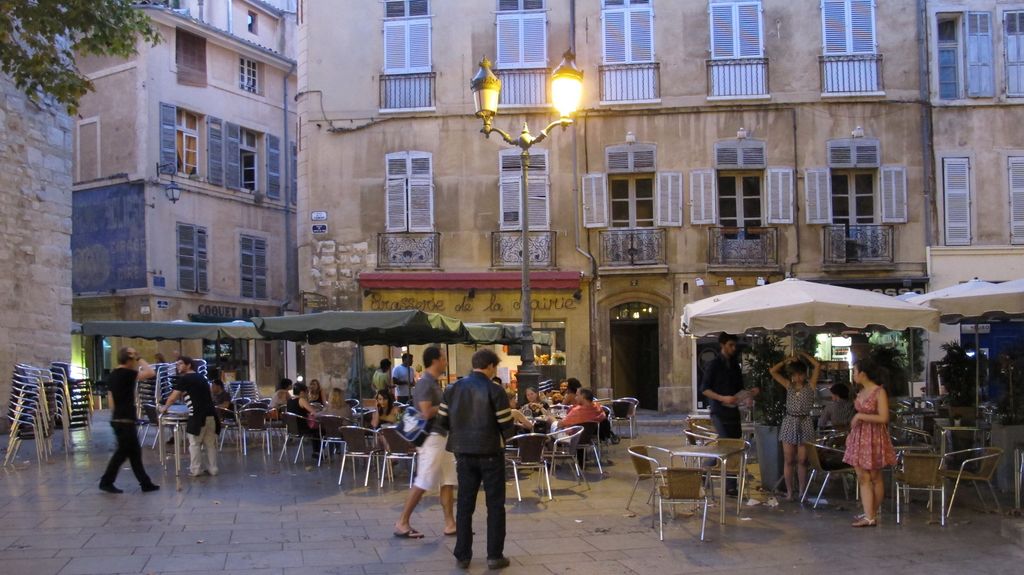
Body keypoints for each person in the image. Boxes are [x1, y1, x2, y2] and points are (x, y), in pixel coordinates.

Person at [437, 349, 515, 570]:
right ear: (490, 366)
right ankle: (494, 556)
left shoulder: (452, 389)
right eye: (495, 368)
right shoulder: (495, 390)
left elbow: (441, 423)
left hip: (463, 453)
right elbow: (506, 426)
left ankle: (462, 555)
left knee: (464, 504)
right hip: (491, 452)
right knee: (495, 505)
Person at [394, 346, 458, 539]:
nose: (446, 362)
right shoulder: (424, 383)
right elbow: (425, 411)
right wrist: (448, 405)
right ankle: (402, 522)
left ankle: (450, 524)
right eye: (444, 358)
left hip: (443, 436)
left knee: (448, 479)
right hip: (432, 438)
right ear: (436, 360)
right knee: (424, 480)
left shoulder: (434, 383)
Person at [700, 333, 759, 495]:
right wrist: (722, 398)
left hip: (733, 412)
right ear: (722, 345)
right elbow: (704, 389)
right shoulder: (713, 365)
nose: (733, 348)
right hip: (718, 411)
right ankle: (706, 469)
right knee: (725, 444)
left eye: (734, 346)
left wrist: (748, 395)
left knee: (734, 447)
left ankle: (730, 485)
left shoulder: (735, 366)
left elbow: (738, 389)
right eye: (730, 345)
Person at [843, 357, 897, 528]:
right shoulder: (859, 391)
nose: (853, 374)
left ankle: (871, 513)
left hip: (873, 436)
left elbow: (883, 417)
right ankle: (869, 514)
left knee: (875, 476)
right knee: (862, 476)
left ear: (863, 374)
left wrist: (860, 416)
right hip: (859, 436)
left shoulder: (879, 392)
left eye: (855, 371)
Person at [99, 347, 160, 494]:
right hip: (125, 419)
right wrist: (139, 357)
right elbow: (151, 372)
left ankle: (145, 483)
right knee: (122, 453)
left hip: (119, 418)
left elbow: (111, 399)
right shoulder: (127, 374)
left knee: (134, 454)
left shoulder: (113, 375)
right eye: (132, 359)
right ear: (129, 359)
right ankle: (106, 481)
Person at [770, 351, 821, 501]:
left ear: (805, 374)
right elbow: (773, 371)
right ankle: (790, 492)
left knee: (803, 460)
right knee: (789, 459)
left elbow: (817, 365)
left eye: (800, 374)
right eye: (795, 375)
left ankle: (802, 492)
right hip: (790, 421)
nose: (798, 378)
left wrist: (804, 355)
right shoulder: (788, 386)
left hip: (804, 421)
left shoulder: (810, 385)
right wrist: (786, 360)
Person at [160, 356, 219, 477]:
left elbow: (173, 397)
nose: (178, 366)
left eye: (180, 364)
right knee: (210, 444)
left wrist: (164, 408)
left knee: (194, 444)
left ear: (188, 365)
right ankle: (213, 469)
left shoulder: (185, 379)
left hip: (197, 416)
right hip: (211, 415)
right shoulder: (202, 377)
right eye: (177, 364)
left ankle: (195, 470)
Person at [287, 381, 321, 459]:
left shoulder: (289, 400)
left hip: (292, 429)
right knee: (320, 430)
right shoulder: (301, 400)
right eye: (306, 392)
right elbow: (313, 412)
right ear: (302, 392)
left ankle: (317, 452)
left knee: (317, 431)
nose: (307, 394)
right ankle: (317, 452)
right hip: (302, 428)